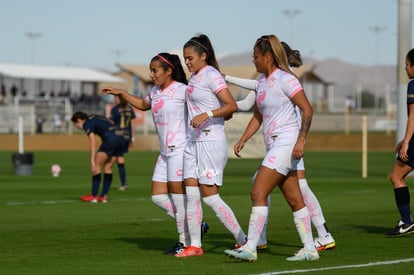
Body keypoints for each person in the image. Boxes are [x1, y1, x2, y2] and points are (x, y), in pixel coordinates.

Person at [224, 41, 335, 252]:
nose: (253, 60)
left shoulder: (287, 77)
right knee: (294, 194)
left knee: (262, 189)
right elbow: (253, 108)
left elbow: (307, 110)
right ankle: (311, 246)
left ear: (270, 56)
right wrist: (241, 134)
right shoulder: (263, 80)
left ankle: (255, 244)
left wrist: (301, 139)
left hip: (288, 143)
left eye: (255, 56)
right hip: (276, 144)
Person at [102, 53, 208, 255]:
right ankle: (196, 225)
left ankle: (184, 242)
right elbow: (143, 105)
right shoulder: (155, 91)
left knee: (178, 198)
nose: (151, 74)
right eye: (151, 70)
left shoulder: (183, 90)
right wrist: (122, 93)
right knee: (158, 197)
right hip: (164, 153)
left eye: (155, 70)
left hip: (180, 150)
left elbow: (203, 104)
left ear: (169, 71)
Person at [175, 34, 247, 258]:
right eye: (185, 58)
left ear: (203, 56)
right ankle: (195, 245)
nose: (187, 62)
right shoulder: (195, 78)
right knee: (191, 193)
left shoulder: (210, 74)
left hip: (209, 140)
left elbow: (231, 105)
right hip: (193, 141)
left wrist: (208, 114)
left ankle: (244, 240)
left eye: (190, 58)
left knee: (210, 196)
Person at [387, 48, 414, 236]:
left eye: (407, 64)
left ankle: (406, 221)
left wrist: (406, 141)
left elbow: (413, 116)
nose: (405, 68)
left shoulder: (413, 85)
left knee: (396, 177)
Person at [71, 111, 125, 203]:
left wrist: (92, 160)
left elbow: (92, 141)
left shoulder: (87, 124)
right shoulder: (94, 117)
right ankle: (103, 196)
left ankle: (94, 196)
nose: (77, 127)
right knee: (108, 167)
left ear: (79, 120)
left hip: (110, 139)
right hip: (120, 137)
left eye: (76, 124)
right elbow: (110, 122)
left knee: (96, 167)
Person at [109, 94, 136, 191]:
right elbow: (132, 125)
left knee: (110, 161)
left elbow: (111, 124)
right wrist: (132, 139)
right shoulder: (130, 109)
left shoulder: (115, 109)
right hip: (126, 136)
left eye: (116, 97)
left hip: (117, 136)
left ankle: (108, 183)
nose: (115, 99)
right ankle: (123, 184)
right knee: (119, 158)